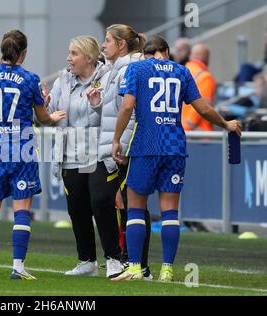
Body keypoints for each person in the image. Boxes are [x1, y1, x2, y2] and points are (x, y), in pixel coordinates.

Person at [111, 36, 241, 282]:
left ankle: (136, 268)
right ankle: (167, 269)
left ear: (148, 54)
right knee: (170, 211)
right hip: (174, 147)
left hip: (145, 145)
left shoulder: (137, 68)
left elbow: (127, 107)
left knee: (136, 207)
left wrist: (116, 139)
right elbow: (202, 108)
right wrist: (225, 123)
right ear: (167, 52)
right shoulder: (182, 71)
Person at [0, 30, 66, 280]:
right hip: (23, 146)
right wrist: (52, 116)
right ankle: (18, 268)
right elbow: (42, 118)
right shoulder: (30, 79)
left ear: (3, 50)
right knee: (22, 209)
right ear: (23, 53)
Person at [86, 24, 152, 279]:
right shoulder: (114, 69)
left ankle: (137, 264)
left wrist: (121, 144)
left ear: (121, 44)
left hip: (125, 147)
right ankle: (123, 260)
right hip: (115, 146)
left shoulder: (132, 69)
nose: (103, 46)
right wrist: (98, 103)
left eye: (107, 41)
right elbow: (115, 110)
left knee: (131, 204)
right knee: (113, 201)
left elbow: (132, 112)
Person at [46, 35, 116, 278]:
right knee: (77, 207)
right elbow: (50, 113)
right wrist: (44, 108)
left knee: (101, 202)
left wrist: (96, 105)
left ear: (88, 57)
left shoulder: (107, 77)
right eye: (69, 53)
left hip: (98, 151)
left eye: (74, 53)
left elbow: (111, 113)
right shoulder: (63, 79)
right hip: (70, 151)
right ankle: (86, 260)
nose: (68, 58)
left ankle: (113, 258)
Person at [182, 43, 216, 131]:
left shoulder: (179, 73)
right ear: (206, 58)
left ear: (191, 56)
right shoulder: (205, 77)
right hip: (199, 137)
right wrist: (188, 128)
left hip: (178, 134)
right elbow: (203, 109)